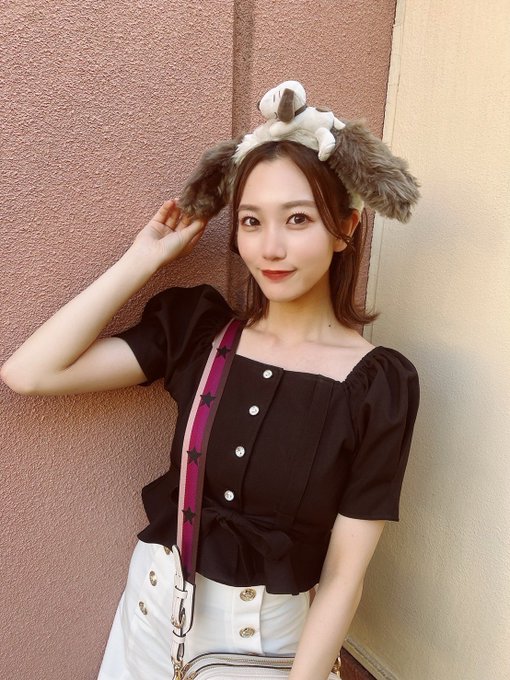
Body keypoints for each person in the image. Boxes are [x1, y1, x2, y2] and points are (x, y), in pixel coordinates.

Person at [1, 82, 420, 680]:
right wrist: (144, 258)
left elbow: (344, 576)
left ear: (345, 227)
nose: (270, 247)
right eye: (251, 221)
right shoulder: (201, 334)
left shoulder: (378, 385)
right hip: (149, 621)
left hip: (269, 650)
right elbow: (29, 372)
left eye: (298, 219)